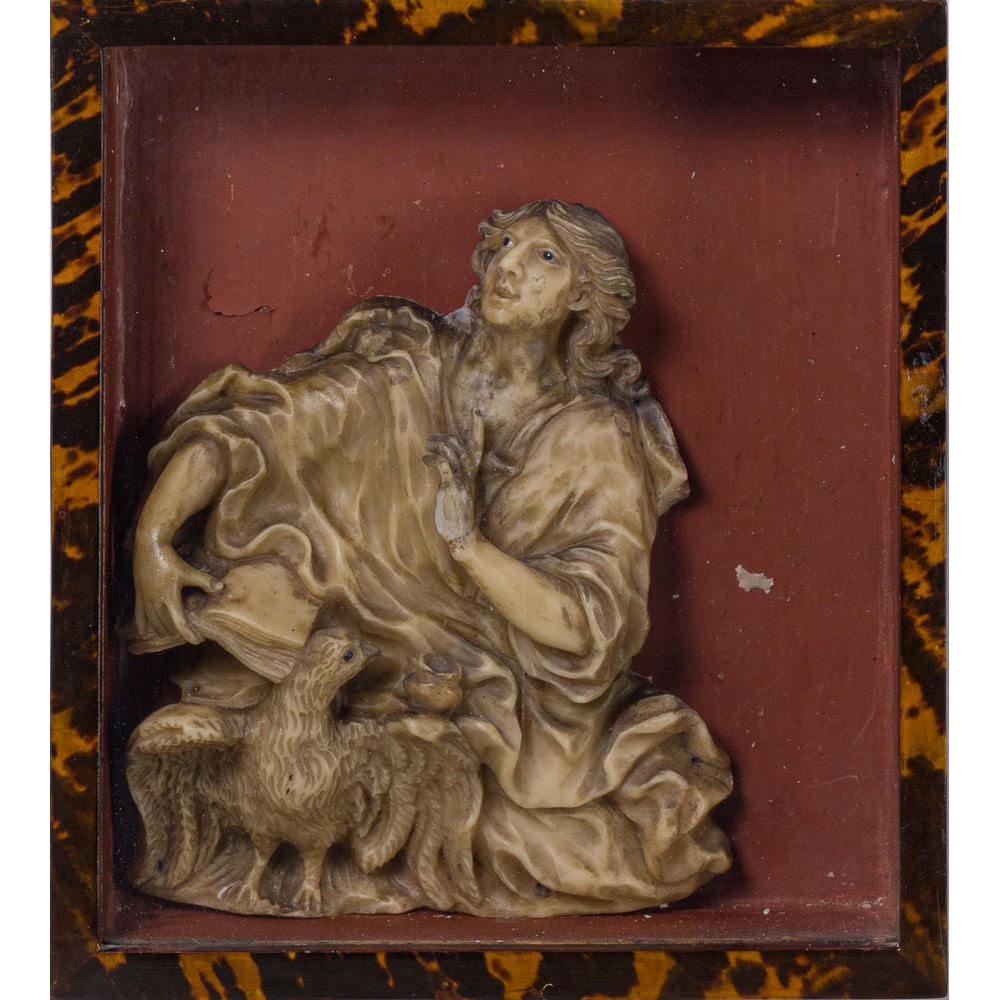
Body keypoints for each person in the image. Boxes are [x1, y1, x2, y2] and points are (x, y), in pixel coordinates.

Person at [128, 200, 732, 916]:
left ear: (583, 294)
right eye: (505, 244)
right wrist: (154, 538)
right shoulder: (407, 365)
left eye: (544, 257)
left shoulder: (596, 439)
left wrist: (468, 547)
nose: (508, 266)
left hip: (506, 694)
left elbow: (588, 627)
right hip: (363, 641)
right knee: (256, 638)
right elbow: (255, 428)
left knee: (539, 838)